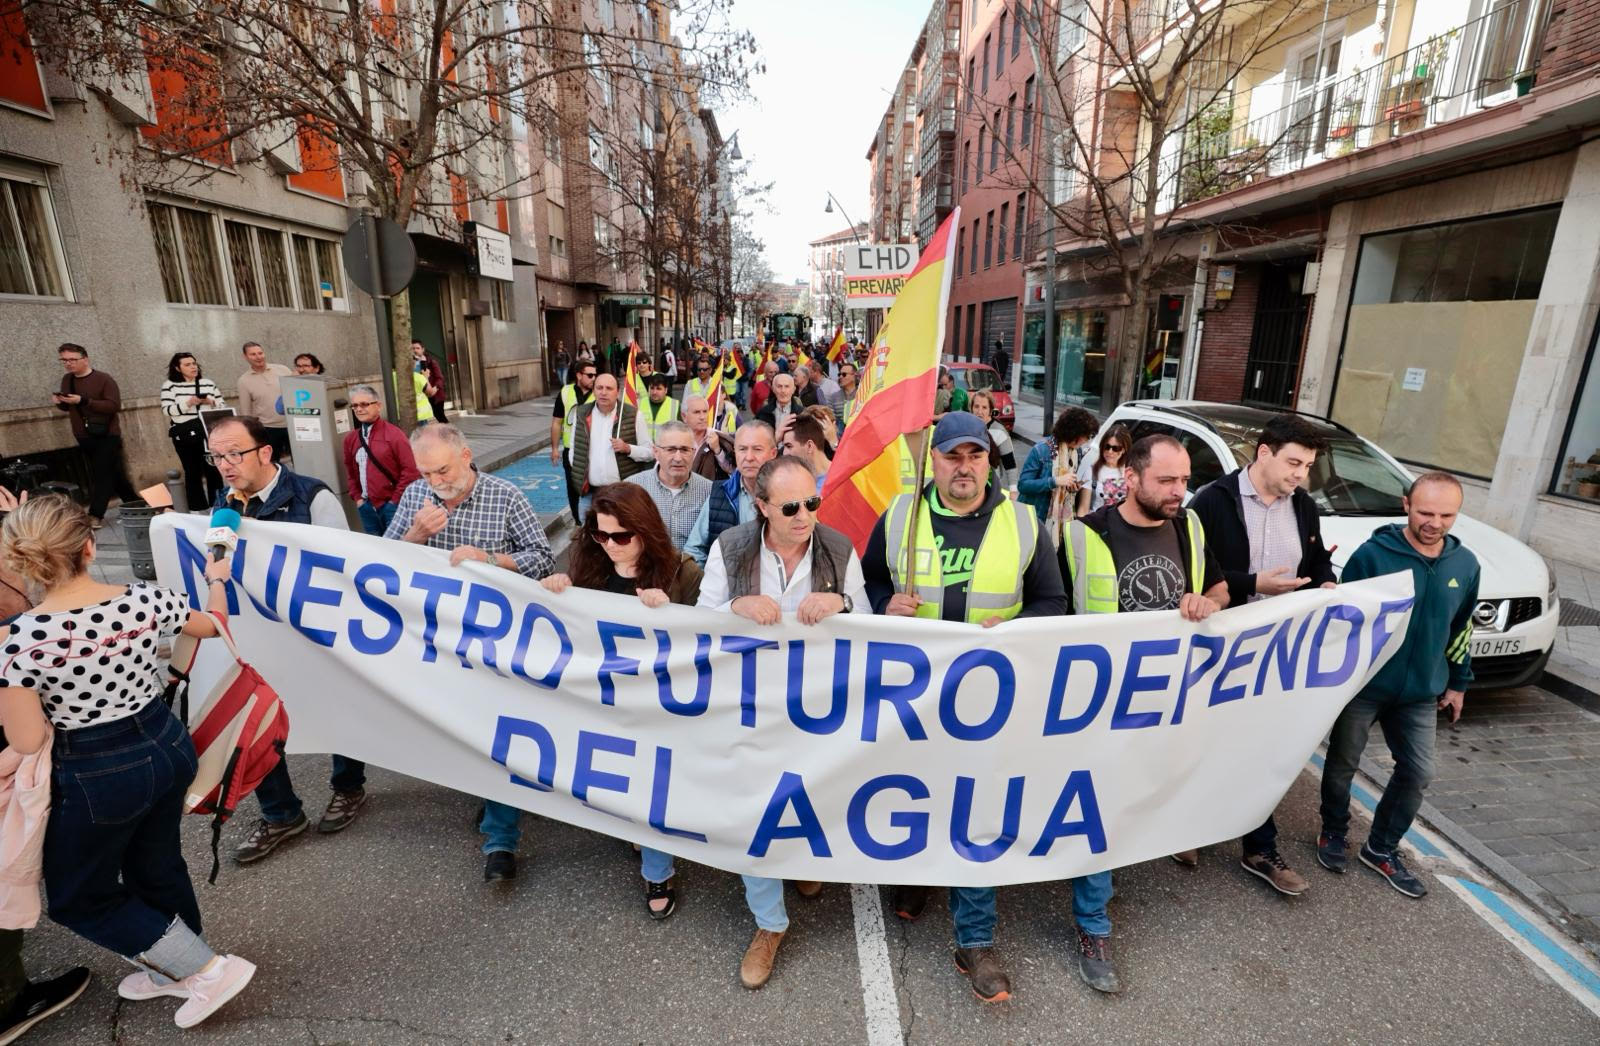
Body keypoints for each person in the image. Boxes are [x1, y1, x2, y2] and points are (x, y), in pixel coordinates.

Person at [0, 495, 256, 1028]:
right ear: (89, 547)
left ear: (22, 562)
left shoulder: (20, 642)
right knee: (156, 861)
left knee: (78, 897)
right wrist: (216, 578)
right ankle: (173, 968)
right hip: (165, 743)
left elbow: (26, 740)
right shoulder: (143, 600)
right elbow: (212, 626)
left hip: (98, 769)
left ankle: (204, 970)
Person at [861, 413, 1071, 1003]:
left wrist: (1015, 627)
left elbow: (1055, 602)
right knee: (913, 796)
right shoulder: (900, 516)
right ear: (933, 462)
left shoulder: (1025, 523)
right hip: (913, 696)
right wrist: (883, 604)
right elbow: (869, 583)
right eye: (952, 456)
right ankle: (918, 876)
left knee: (976, 810)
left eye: (974, 455)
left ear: (988, 460)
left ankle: (974, 940)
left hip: (989, 702)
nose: (964, 466)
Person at [697, 456, 869, 989]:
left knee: (808, 794)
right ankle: (769, 924)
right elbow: (697, 623)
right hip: (748, 708)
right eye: (790, 506)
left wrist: (840, 600)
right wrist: (735, 607)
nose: (804, 516)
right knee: (756, 811)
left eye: (812, 503)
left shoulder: (840, 549)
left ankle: (799, 860)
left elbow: (872, 625)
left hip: (817, 710)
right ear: (761, 506)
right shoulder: (730, 549)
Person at [386, 425, 555, 881]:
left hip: (497, 643)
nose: (436, 480)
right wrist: (416, 535)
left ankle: (501, 839)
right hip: (437, 643)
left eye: (443, 469)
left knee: (499, 730)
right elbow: (381, 565)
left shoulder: (505, 496)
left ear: (466, 455)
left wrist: (492, 560)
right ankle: (491, 792)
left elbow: (543, 558)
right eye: (426, 472)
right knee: (465, 730)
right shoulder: (415, 498)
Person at [1185, 415, 1337, 892]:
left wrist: (1328, 585)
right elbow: (1191, 573)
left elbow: (1315, 566)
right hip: (1218, 650)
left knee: (1262, 748)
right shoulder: (1212, 502)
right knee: (1205, 744)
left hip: (1277, 655)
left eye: (1308, 466)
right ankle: (1187, 827)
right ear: (1264, 453)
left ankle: (1259, 847)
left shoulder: (1304, 508)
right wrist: (1254, 585)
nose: (1300, 474)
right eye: (1294, 462)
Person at [538, 483, 701, 918]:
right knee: (627, 785)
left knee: (650, 785)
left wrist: (673, 613)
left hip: (663, 706)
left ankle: (657, 870)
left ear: (645, 531)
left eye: (621, 536)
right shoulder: (590, 563)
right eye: (601, 535)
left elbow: (712, 640)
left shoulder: (681, 572)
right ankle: (640, 836)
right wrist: (557, 588)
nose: (610, 545)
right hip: (605, 704)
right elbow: (571, 628)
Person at [1319, 472, 1477, 899]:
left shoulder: (1466, 565)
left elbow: (1461, 628)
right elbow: (1343, 622)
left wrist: (1459, 682)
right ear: (1406, 504)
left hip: (1422, 693)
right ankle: (1332, 831)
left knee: (1419, 772)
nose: (1435, 522)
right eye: (1426, 511)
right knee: (1341, 765)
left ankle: (1381, 848)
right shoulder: (1374, 554)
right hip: (1366, 686)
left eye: (1447, 514)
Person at [51, 344, 137, 530]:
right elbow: (69, 407)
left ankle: (95, 515)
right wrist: (61, 403)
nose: (68, 364)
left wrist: (83, 401)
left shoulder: (104, 379)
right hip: (84, 435)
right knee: (113, 473)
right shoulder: (67, 379)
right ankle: (137, 505)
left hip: (107, 434)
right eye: (64, 360)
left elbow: (113, 406)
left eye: (72, 359)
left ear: (85, 359)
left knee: (102, 474)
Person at [685, 421, 778, 565]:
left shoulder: (788, 495)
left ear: (773, 453)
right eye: (742, 449)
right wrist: (711, 582)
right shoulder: (719, 494)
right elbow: (694, 550)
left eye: (757, 449)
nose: (749, 457)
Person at [341, 384, 421, 537]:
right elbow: (351, 472)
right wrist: (357, 498)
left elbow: (411, 471)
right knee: (376, 550)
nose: (359, 409)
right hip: (366, 507)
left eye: (364, 404)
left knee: (397, 550)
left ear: (378, 406)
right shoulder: (351, 439)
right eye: (355, 405)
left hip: (392, 506)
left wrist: (394, 502)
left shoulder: (394, 435)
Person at [570, 374, 652, 518]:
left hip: (622, 495)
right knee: (588, 538)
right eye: (599, 388)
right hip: (589, 494)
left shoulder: (633, 415)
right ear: (594, 390)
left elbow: (650, 452)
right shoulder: (581, 413)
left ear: (617, 392)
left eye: (609, 388)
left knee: (621, 537)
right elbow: (573, 448)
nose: (603, 392)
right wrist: (578, 468)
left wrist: (628, 448)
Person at [626, 420, 712, 551]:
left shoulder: (710, 492)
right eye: (671, 450)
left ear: (694, 452)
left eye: (684, 450)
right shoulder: (632, 488)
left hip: (692, 570)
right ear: (655, 452)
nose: (678, 458)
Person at [159, 352, 225, 510]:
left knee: (213, 469)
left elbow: (222, 406)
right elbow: (167, 410)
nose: (193, 367)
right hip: (185, 434)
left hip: (208, 432)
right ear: (177, 368)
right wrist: (188, 403)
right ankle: (197, 507)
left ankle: (219, 505)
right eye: (187, 364)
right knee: (192, 471)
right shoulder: (170, 386)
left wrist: (210, 401)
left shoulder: (207, 383)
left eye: (194, 363)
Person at [1018, 406, 1099, 532]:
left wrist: (1073, 487)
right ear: (1073, 433)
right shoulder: (1041, 450)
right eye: (1085, 436)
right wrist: (1055, 481)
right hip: (1034, 519)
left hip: (1061, 522)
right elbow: (1023, 485)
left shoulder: (1076, 452)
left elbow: (1066, 485)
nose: (1086, 440)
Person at [550, 360, 598, 521]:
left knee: (593, 486)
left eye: (595, 375)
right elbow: (557, 422)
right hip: (571, 450)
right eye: (590, 375)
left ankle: (592, 522)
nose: (593, 379)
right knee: (573, 488)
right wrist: (555, 449)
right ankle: (578, 522)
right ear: (579, 375)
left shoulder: (599, 393)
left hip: (594, 449)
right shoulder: (565, 392)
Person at [234, 342, 292, 462]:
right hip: (269, 429)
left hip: (293, 425)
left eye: (260, 353)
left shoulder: (283, 370)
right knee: (272, 464)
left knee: (302, 461)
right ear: (245, 357)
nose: (258, 357)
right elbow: (246, 413)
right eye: (253, 354)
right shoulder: (244, 381)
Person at [1075, 423, 1131, 515]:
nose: (1110, 451)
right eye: (1107, 446)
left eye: (1115, 448)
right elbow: (1083, 509)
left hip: (1118, 527)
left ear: (1123, 450)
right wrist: (1080, 528)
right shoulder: (1092, 471)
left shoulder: (1129, 473)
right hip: (1094, 525)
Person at [969, 390, 1015, 491]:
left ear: (990, 411)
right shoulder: (965, 426)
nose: (979, 411)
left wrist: (1013, 491)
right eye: (976, 406)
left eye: (984, 407)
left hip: (991, 486)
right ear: (971, 408)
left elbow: (1010, 464)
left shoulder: (999, 431)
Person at [683, 395, 732, 482]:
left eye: (705, 411)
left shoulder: (720, 437)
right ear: (684, 416)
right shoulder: (676, 439)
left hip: (710, 492)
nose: (702, 417)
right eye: (697, 412)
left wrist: (717, 450)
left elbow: (733, 470)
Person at [780, 413, 831, 491]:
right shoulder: (793, 483)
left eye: (789, 446)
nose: (784, 453)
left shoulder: (843, 478)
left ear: (809, 446)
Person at [412, 341, 449, 424]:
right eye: (413, 348)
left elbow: (440, 378)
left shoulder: (431, 362)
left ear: (423, 349)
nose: (415, 350)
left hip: (435, 395)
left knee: (440, 416)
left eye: (417, 348)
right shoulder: (410, 364)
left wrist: (434, 389)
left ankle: (450, 434)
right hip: (420, 397)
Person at [639, 373, 680, 443]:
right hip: (644, 449)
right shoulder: (640, 403)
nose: (654, 392)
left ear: (666, 390)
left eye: (658, 389)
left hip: (666, 449)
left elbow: (680, 431)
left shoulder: (675, 404)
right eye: (652, 388)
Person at [836, 361, 860, 429]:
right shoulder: (833, 397)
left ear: (854, 376)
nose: (840, 377)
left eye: (844, 374)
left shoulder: (863, 394)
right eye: (839, 374)